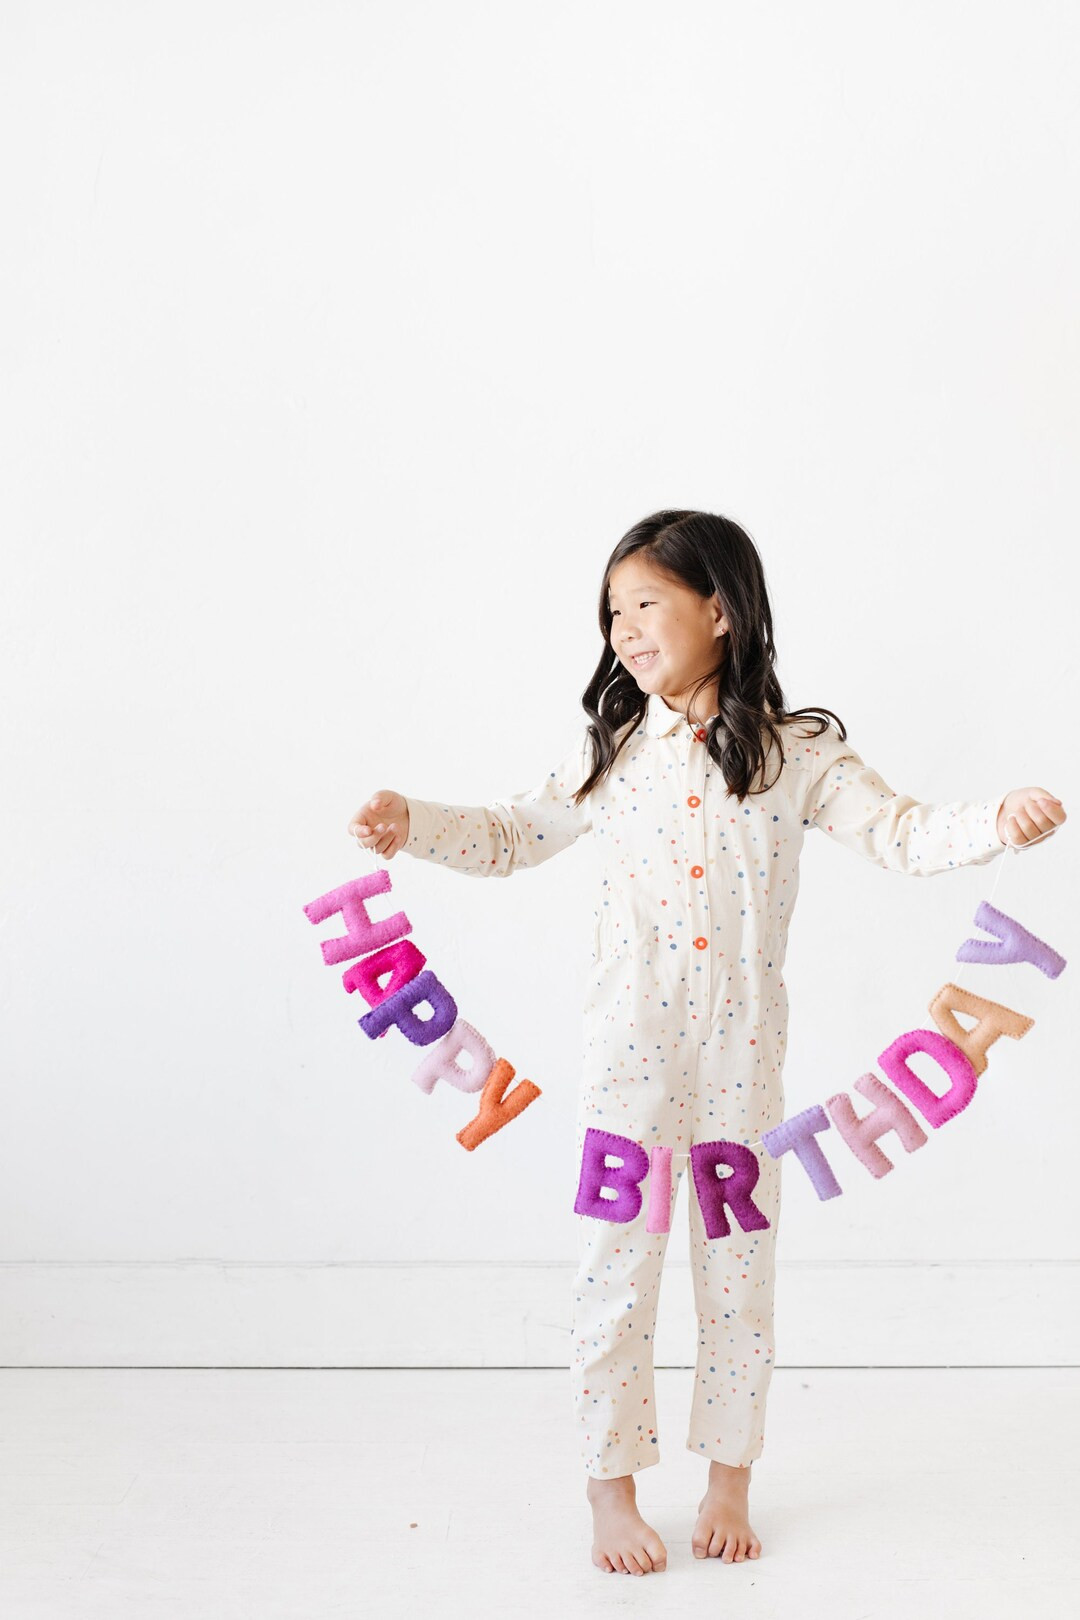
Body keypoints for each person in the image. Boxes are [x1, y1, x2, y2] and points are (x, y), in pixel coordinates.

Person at [347, 509, 1066, 1576]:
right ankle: (609, 1488)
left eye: (646, 603)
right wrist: (415, 820)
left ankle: (730, 1477)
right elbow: (510, 835)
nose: (625, 628)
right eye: (612, 611)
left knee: (738, 1266)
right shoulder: (609, 746)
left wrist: (995, 820)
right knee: (615, 1264)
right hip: (626, 1045)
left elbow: (902, 831)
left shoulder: (796, 750)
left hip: (741, 1049)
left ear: (718, 609)